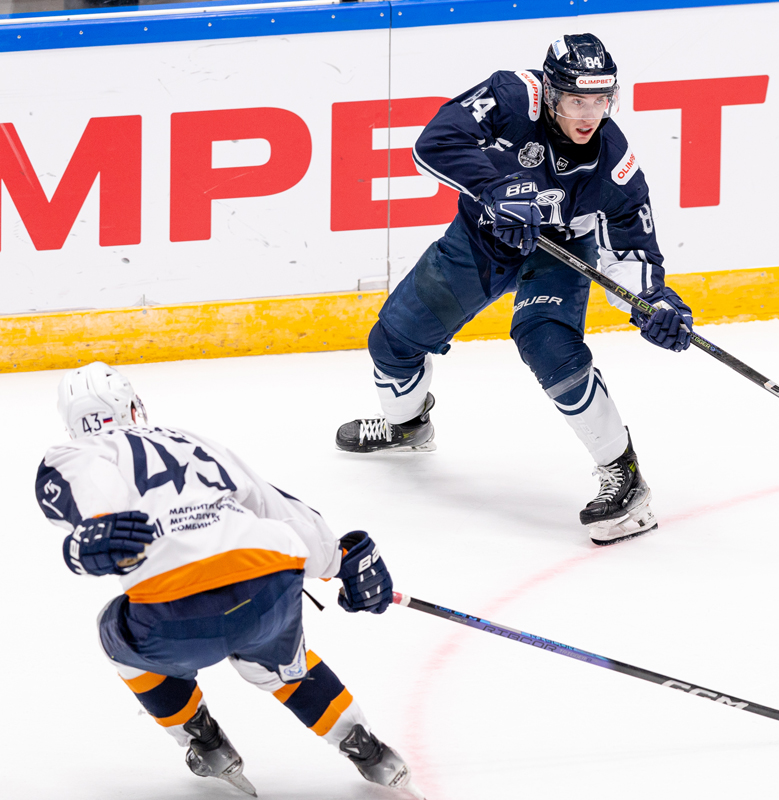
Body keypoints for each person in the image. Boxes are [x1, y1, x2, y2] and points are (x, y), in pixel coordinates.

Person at [336, 33, 694, 547]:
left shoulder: (616, 168)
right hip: (482, 237)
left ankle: (624, 474)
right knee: (392, 341)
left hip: (559, 251)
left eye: (600, 100)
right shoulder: (511, 96)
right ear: (551, 92)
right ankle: (408, 426)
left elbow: (633, 254)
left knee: (548, 342)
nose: (588, 114)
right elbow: (435, 142)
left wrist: (655, 304)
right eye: (576, 100)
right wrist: (496, 189)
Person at [37, 362, 422, 798]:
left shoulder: (73, 454)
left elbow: (92, 487)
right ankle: (368, 750)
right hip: (269, 583)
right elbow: (273, 505)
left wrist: (88, 535)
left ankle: (204, 740)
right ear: (132, 406)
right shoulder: (189, 440)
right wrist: (338, 558)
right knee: (274, 660)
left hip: (176, 614)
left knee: (115, 633)